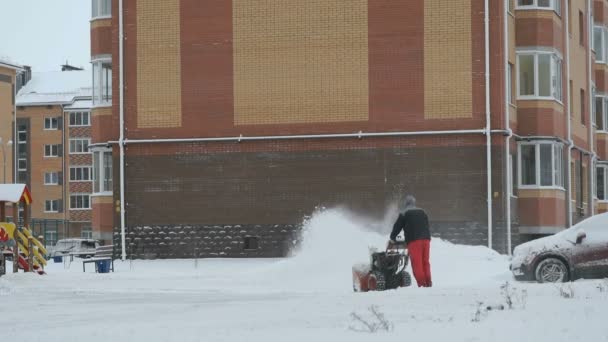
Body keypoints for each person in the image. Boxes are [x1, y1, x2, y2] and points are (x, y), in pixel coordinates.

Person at [389, 195, 432, 287]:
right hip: (426, 240)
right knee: (425, 261)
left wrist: (392, 237)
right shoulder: (422, 212)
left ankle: (422, 284)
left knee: (417, 263)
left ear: (406, 204)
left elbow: (397, 227)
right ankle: (428, 283)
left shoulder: (404, 213)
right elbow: (427, 225)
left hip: (414, 240)